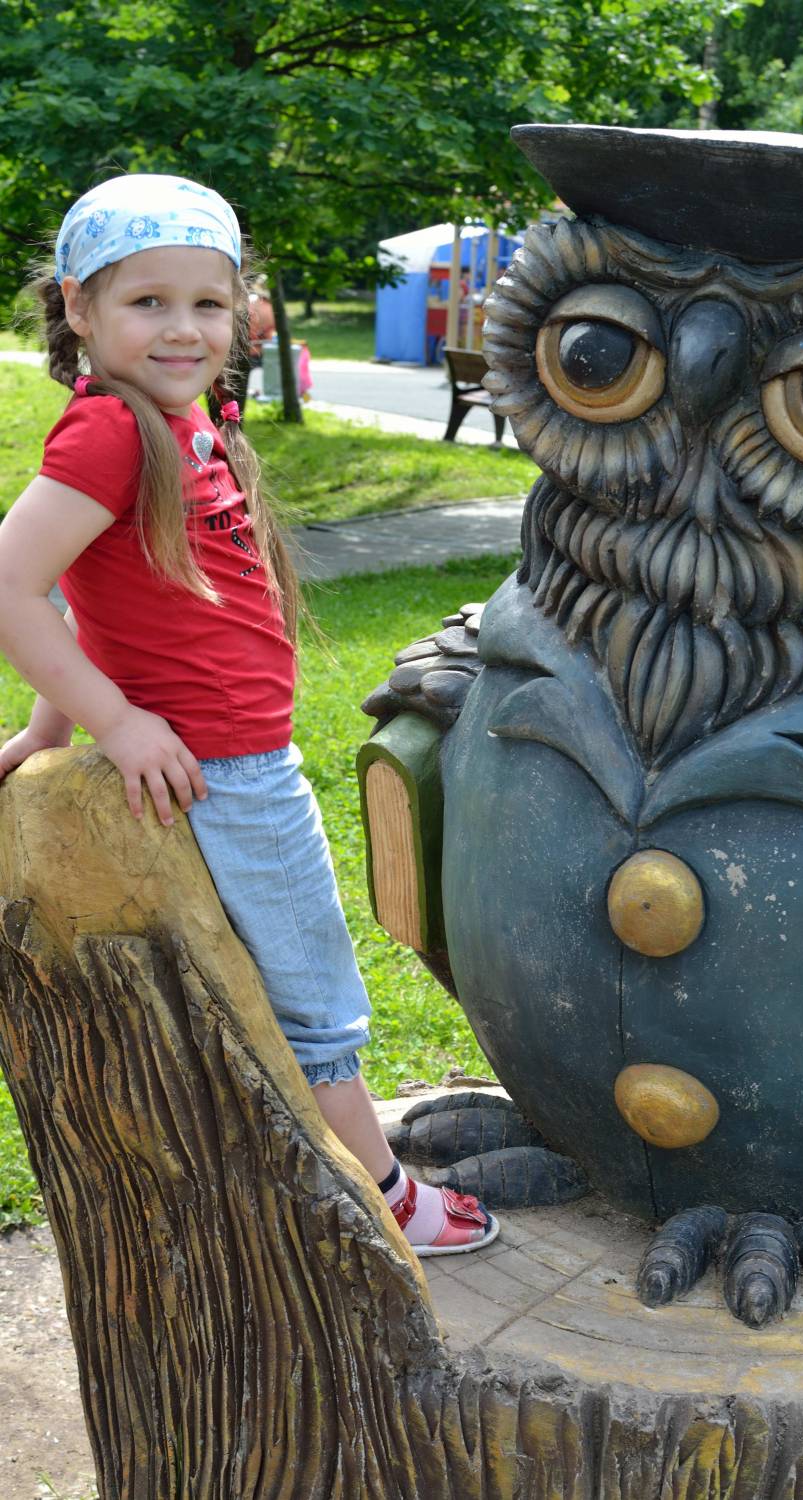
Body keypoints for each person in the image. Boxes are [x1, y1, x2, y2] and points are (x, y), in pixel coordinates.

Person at [0, 174, 498, 1258]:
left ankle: (326, 1170)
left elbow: (86, 589)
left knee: (287, 975)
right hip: (228, 770)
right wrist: (112, 724)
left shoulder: (172, 422)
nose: (183, 328)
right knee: (314, 988)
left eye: (208, 303)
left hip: (243, 758)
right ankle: (379, 1196)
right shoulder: (114, 434)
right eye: (148, 302)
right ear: (79, 308)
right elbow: (11, 584)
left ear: (242, 310)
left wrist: (49, 725)